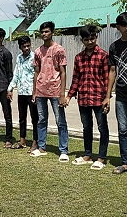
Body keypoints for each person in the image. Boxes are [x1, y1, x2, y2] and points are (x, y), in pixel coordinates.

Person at [66, 25, 109, 169]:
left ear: (96, 37)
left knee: (102, 127)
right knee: (87, 127)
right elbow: (76, 79)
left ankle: (101, 157)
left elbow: (106, 79)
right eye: (86, 39)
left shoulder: (103, 55)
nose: (90, 42)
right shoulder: (79, 58)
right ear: (82, 40)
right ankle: (88, 154)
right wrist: (69, 95)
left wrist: (107, 98)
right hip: (83, 98)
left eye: (92, 38)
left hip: (99, 98)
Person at [32, 21, 69, 162]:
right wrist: (34, 91)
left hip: (55, 90)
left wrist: (62, 94)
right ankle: (41, 147)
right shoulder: (37, 51)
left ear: (52, 32)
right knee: (41, 120)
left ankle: (63, 150)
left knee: (60, 121)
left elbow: (63, 72)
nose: (44, 34)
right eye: (42, 32)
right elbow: (36, 72)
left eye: (46, 31)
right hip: (41, 91)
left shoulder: (59, 50)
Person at [7, 36, 38, 151]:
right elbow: (16, 74)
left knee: (35, 118)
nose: (26, 48)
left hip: (32, 92)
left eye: (28, 45)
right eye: (24, 46)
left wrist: (36, 92)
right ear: (20, 47)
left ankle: (35, 141)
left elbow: (37, 74)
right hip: (21, 92)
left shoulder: (35, 57)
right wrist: (10, 88)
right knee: (22, 117)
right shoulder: (19, 57)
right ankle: (22, 140)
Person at [107, 12, 127, 174]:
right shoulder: (114, 46)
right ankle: (125, 162)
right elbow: (112, 71)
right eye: (124, 25)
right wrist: (108, 96)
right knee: (123, 129)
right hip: (121, 95)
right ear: (118, 27)